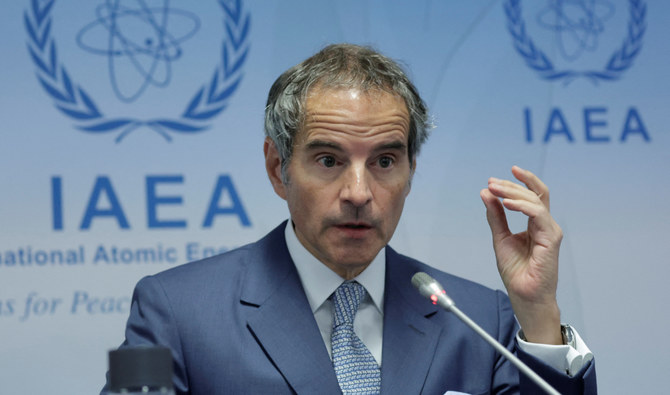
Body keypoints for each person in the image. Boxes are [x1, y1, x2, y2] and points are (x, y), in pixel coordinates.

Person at [103, 44, 596, 394]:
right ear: (279, 170)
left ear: (410, 171)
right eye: (328, 160)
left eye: (384, 161)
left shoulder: (478, 318)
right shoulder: (178, 311)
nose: (359, 193)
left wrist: (538, 314)